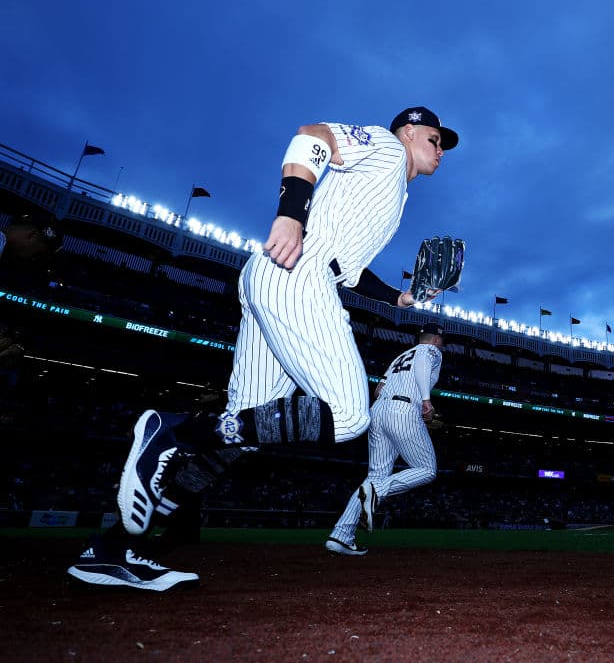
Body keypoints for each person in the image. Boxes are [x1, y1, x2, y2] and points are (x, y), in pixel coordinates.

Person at [67, 106, 459, 590]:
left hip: (286, 277)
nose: (441, 150)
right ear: (410, 131)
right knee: (350, 415)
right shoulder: (384, 147)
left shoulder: (391, 188)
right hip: (297, 273)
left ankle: (114, 548)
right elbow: (311, 137)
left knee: (240, 434)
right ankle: (172, 432)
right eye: (436, 139)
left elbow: (349, 270)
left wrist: (398, 298)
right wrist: (290, 215)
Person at [326, 322, 445, 555]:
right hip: (403, 409)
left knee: (375, 476)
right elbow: (422, 364)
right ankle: (376, 492)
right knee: (427, 469)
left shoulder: (399, 357)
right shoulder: (430, 350)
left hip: (379, 410)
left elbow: (378, 389)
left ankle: (340, 536)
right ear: (435, 339)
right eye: (441, 340)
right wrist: (425, 400)